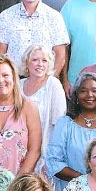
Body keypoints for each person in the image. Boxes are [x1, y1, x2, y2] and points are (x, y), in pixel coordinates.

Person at [0, 0, 70, 78]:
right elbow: (0, 55)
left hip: (44, 80)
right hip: (14, 81)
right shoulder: (6, 16)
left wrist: (49, 82)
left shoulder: (54, 17)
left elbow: (60, 56)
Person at [20, 44, 67, 176]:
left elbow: (59, 124)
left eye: (44, 60)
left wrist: (51, 158)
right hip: (20, 149)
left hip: (44, 151)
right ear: (26, 63)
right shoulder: (18, 85)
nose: (40, 64)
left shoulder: (53, 85)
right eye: (35, 60)